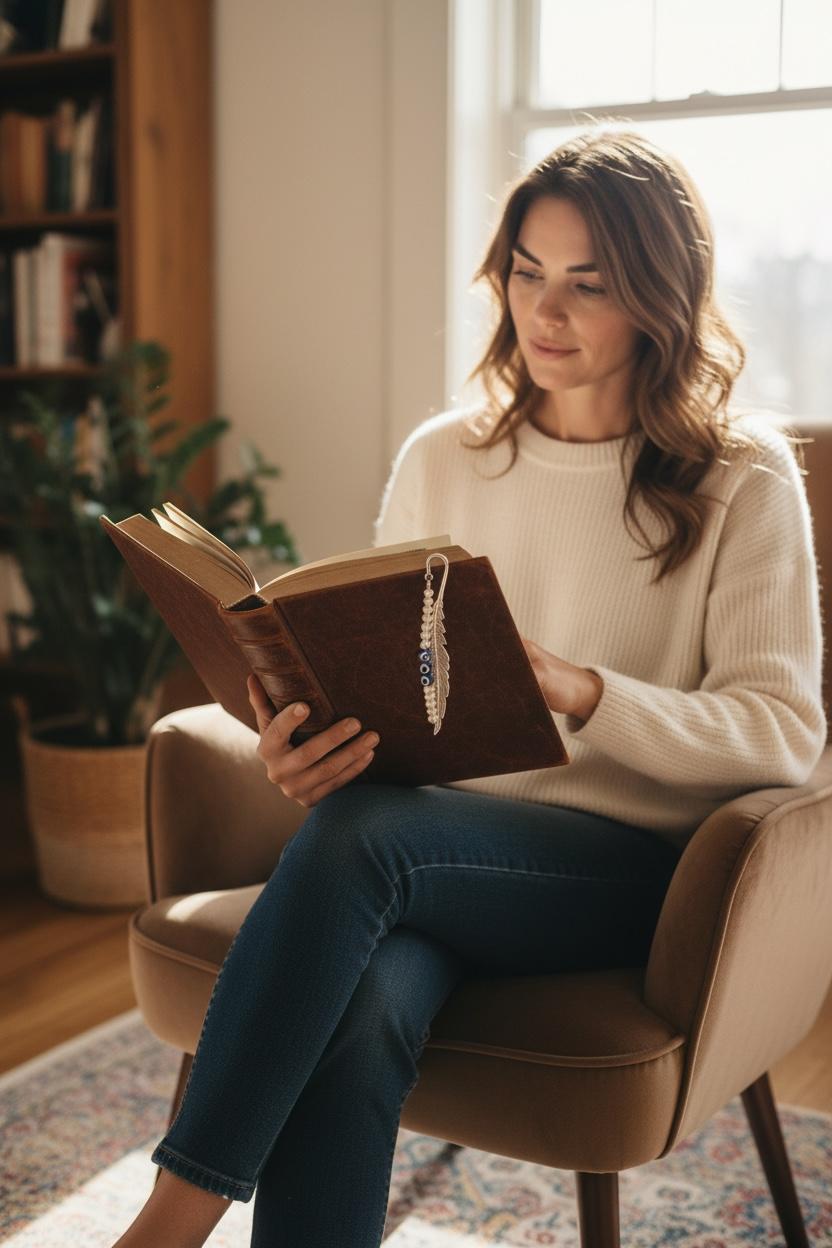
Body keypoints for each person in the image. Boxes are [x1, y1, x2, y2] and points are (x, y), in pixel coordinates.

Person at [110, 127, 826, 1248]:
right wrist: (306, 744)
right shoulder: (444, 455)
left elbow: (781, 735)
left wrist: (584, 692)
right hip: (438, 855)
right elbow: (390, 693)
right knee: (362, 1005)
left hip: (635, 876)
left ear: (659, 297)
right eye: (527, 273)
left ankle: (168, 1223)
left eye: (588, 284)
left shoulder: (741, 478)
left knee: (368, 840)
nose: (545, 311)